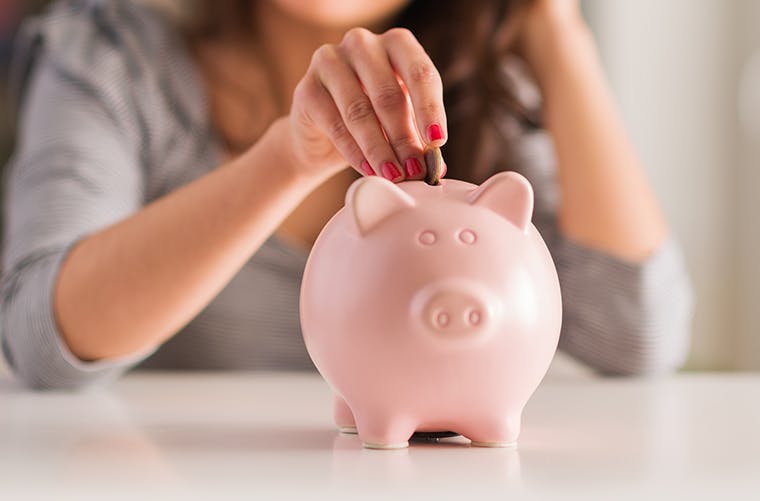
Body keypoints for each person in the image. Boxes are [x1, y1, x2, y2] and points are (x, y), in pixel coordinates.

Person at [0, 0, 693, 390]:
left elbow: (636, 335)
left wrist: (553, 22)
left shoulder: (485, 81)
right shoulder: (113, 52)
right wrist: (286, 159)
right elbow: (40, 339)